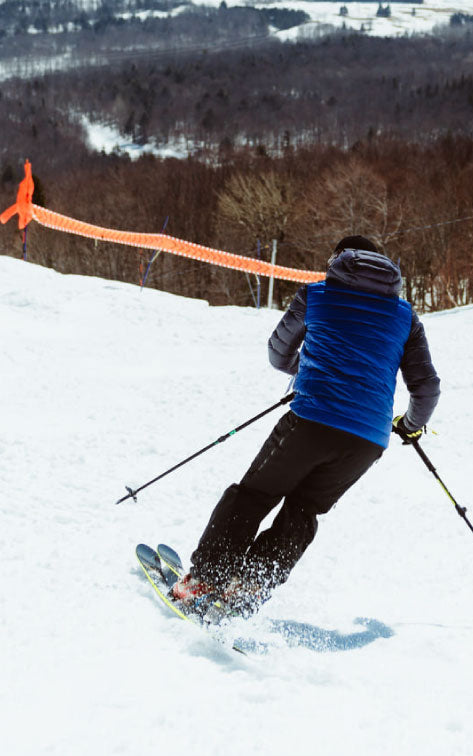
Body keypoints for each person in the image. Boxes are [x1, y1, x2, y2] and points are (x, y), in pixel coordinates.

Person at [170, 234, 441, 621]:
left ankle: (206, 581)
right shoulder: (405, 317)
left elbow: (278, 353)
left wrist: (309, 371)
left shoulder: (316, 295)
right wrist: (411, 426)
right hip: (367, 441)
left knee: (253, 496)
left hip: (311, 422)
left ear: (338, 261)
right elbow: (426, 388)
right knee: (304, 511)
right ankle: (246, 589)